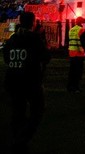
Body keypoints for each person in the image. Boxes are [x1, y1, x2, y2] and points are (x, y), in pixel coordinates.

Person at [3, 11, 51, 153]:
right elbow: (46, 57)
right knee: (38, 111)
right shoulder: (34, 38)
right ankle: (21, 139)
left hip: (12, 81)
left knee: (18, 112)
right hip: (31, 81)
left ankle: (16, 139)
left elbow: (6, 58)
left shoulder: (12, 39)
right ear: (33, 22)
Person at [67, 16, 85, 93]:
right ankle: (76, 87)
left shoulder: (71, 30)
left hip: (71, 53)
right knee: (78, 72)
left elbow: (68, 41)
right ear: (81, 22)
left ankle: (70, 87)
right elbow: (84, 43)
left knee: (71, 71)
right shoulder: (82, 30)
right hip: (79, 54)